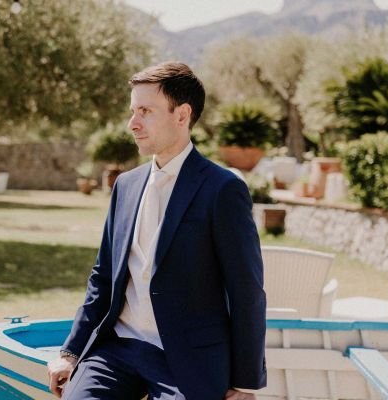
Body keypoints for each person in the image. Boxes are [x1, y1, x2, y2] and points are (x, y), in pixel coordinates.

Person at [48, 62, 266, 400]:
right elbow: (103, 277)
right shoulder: (125, 185)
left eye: (145, 112)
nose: (132, 123)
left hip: (187, 361)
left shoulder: (222, 189)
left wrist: (244, 383)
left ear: (182, 115)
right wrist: (70, 352)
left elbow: (246, 291)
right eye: (133, 111)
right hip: (117, 349)